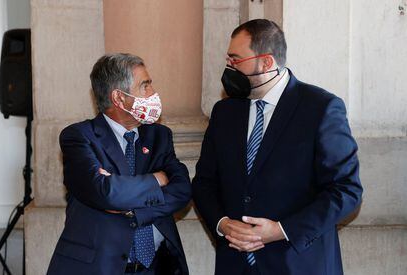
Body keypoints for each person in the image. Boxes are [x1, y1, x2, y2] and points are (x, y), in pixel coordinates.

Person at [192, 19, 363, 275]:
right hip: (235, 265)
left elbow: (346, 191)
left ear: (267, 62)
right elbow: (204, 182)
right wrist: (222, 224)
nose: (229, 68)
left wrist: (281, 230)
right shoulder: (224, 112)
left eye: (236, 60)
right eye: (228, 60)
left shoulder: (321, 108)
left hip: (298, 263)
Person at [47, 53, 191, 275]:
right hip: (98, 267)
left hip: (158, 266)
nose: (153, 93)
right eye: (145, 86)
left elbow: (181, 190)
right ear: (119, 98)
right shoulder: (79, 137)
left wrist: (135, 211)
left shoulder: (159, 136)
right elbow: (105, 193)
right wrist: (157, 179)